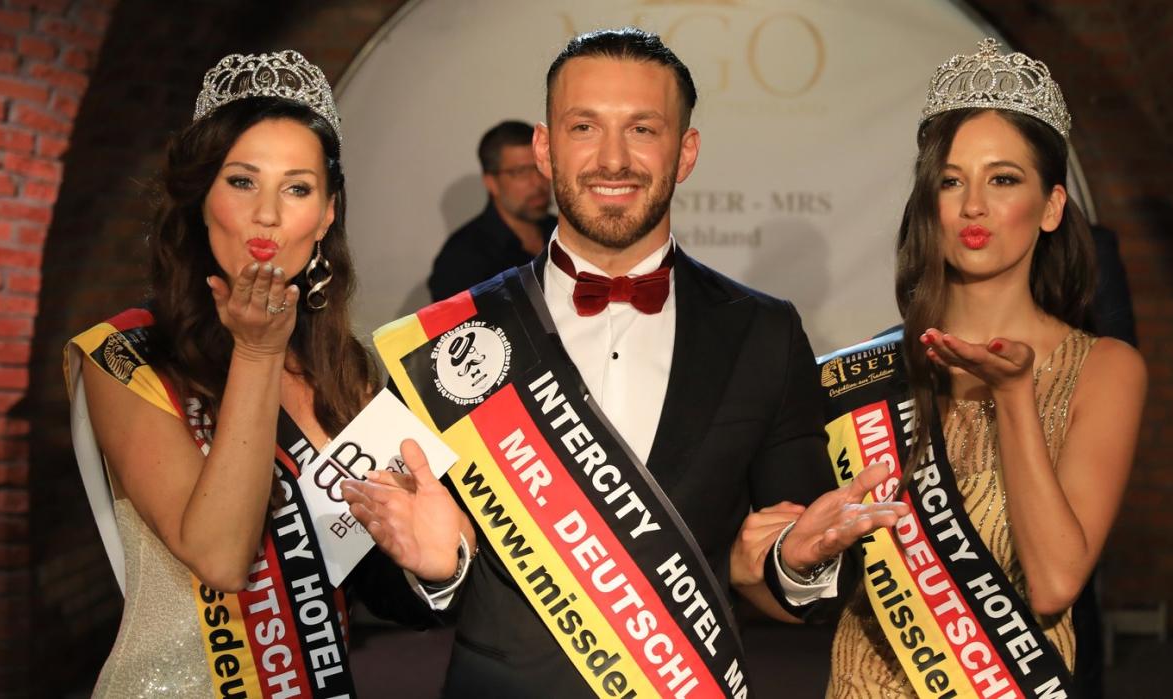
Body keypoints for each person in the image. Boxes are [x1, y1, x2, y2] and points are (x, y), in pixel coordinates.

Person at [342, 28, 907, 698]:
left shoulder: (764, 331)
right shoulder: (453, 331)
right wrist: (438, 568)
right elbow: (364, 566)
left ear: (686, 151)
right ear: (545, 149)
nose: (613, 159)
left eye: (643, 129)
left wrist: (793, 561)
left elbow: (807, 568)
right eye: (584, 127)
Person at [735, 39, 1146, 697]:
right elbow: (787, 593)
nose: (973, 205)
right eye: (951, 181)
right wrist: (768, 564)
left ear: (1051, 207)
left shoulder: (1104, 368)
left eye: (1003, 179)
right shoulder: (861, 377)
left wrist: (1015, 397)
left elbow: (1055, 583)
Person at [64, 51, 458, 697]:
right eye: (242, 181)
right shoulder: (125, 357)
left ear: (327, 215)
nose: (268, 214)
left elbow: (376, 583)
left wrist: (437, 568)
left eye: (297, 187)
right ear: (199, 199)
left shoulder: (346, 368)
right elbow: (221, 557)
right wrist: (256, 353)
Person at [427, 120, 555, 300]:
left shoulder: (564, 231)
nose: (538, 182)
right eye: (520, 172)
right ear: (491, 183)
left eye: (540, 166)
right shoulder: (461, 258)